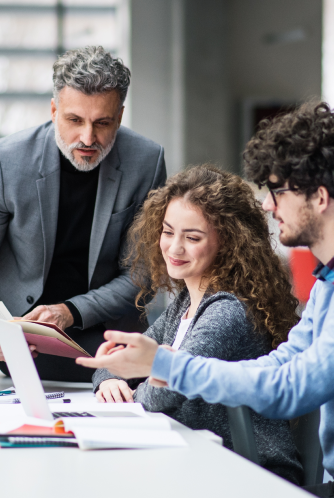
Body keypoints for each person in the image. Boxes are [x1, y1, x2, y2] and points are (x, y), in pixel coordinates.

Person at [79, 102, 334, 498]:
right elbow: (283, 363)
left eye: (278, 190)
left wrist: (165, 364)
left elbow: (292, 389)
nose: (269, 205)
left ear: (320, 198)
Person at [0, 46, 167, 382]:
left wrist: (70, 312)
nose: (88, 138)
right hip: (21, 336)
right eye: (75, 120)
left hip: (105, 332)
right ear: (54, 109)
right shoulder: (5, 162)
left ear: (120, 115)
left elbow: (142, 273)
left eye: (103, 123)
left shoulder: (146, 162)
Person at [92, 165, 302, 483]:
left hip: (253, 474)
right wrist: (110, 381)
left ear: (229, 242)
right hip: (201, 462)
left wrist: (136, 384)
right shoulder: (185, 304)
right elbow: (112, 363)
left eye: (192, 237)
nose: (174, 248)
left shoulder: (228, 311)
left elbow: (162, 395)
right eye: (167, 231)